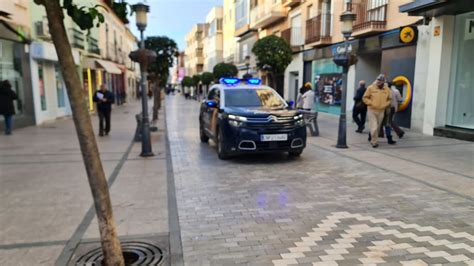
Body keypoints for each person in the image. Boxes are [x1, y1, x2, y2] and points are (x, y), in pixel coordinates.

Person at [363, 74, 392, 148]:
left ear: (383, 81)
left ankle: (374, 139)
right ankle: (374, 142)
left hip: (381, 111)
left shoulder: (387, 89)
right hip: (371, 110)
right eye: (378, 80)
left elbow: (389, 99)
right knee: (374, 127)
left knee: (378, 128)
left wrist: (385, 105)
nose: (378, 81)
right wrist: (370, 103)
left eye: (380, 80)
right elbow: (365, 97)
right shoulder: (370, 88)